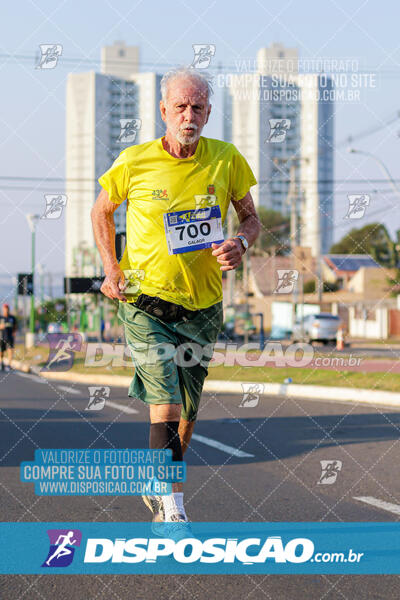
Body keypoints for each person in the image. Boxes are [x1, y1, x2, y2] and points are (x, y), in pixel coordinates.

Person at [92, 66, 260, 531]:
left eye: (198, 107)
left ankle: (157, 479)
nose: (189, 115)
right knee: (163, 400)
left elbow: (250, 218)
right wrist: (111, 269)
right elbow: (101, 211)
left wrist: (241, 244)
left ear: (209, 113)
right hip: (145, 299)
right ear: (164, 110)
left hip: (202, 304)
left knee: (187, 413)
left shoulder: (226, 159)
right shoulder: (135, 161)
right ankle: (174, 510)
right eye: (180, 107)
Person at [0, 303, 17, 371]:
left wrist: (14, 332)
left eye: (7, 309)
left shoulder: (12, 318)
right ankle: (1, 363)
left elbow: (15, 326)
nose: (6, 310)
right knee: (2, 352)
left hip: (10, 337)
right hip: (2, 337)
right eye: (4, 309)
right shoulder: (1, 317)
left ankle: (9, 365)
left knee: (10, 350)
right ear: (3, 309)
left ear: (8, 309)